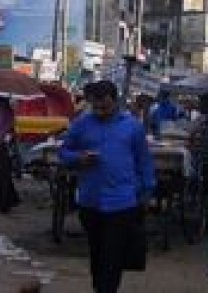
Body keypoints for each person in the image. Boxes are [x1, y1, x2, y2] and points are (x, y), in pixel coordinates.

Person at [59, 80, 156, 293]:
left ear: (114, 100)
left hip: (122, 202)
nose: (99, 110)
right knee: (97, 252)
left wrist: (146, 192)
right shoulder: (82, 124)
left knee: (113, 255)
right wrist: (78, 158)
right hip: (90, 201)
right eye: (95, 106)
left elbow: (144, 161)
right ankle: (100, 287)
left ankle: (106, 289)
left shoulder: (132, 127)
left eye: (104, 105)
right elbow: (63, 153)